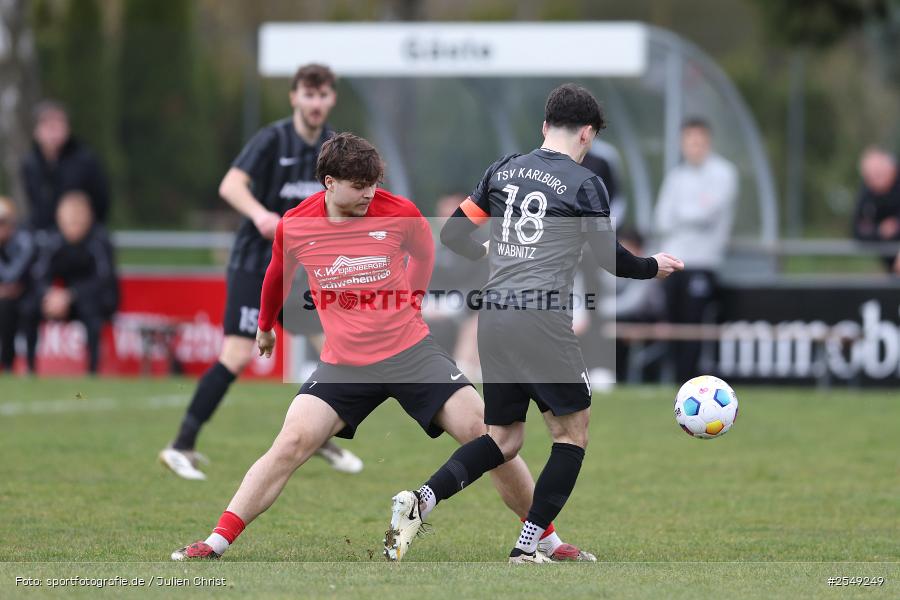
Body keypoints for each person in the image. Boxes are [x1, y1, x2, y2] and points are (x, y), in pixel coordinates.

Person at [169, 133, 593, 562]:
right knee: (291, 442)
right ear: (329, 182)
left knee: (488, 436)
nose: (369, 194)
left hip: (412, 354)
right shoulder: (295, 224)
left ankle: (546, 540)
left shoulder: (400, 213)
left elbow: (424, 251)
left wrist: (410, 300)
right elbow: (277, 274)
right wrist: (264, 328)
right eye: (358, 186)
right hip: (344, 364)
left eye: (373, 184)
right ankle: (216, 541)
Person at [388, 84, 683, 564]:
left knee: (503, 438)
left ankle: (422, 498)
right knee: (572, 433)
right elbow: (610, 260)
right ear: (587, 135)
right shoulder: (587, 183)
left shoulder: (503, 169)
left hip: (496, 318)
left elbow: (456, 233)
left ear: (545, 126)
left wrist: (491, 254)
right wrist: (656, 266)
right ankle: (526, 548)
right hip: (541, 318)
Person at [158, 64, 362, 479]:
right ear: (294, 97)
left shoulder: (332, 144)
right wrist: (261, 216)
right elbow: (230, 185)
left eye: (323, 95)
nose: (316, 103)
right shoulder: (273, 139)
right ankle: (180, 445)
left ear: (331, 99)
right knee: (236, 354)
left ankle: (317, 433)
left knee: (338, 346)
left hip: (300, 268)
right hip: (257, 263)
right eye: (308, 94)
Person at [653, 117, 737, 382]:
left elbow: (706, 214)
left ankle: (690, 384)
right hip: (673, 262)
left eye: (698, 141)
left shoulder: (724, 173)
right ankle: (674, 382)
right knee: (674, 325)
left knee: (693, 328)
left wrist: (684, 214)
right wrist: (689, 214)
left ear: (708, 142)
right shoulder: (676, 177)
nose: (694, 147)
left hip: (702, 263)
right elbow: (662, 219)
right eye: (689, 141)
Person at [25, 191, 118, 374]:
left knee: (91, 313)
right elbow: (38, 275)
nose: (73, 223)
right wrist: (50, 294)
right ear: (59, 217)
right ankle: (27, 368)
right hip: (58, 300)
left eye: (78, 218)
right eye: (69, 218)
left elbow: (103, 280)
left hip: (92, 300)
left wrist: (71, 295)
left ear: (88, 217)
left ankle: (93, 370)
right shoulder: (52, 240)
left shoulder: (99, 241)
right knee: (28, 309)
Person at [21, 101, 110, 232]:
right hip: (43, 231)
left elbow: (101, 200)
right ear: (36, 131)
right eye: (49, 126)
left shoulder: (85, 161)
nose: (54, 132)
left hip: (80, 233)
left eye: (59, 125)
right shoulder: (30, 163)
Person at [0, 197, 36, 373]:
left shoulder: (24, 241)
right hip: (5, 296)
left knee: (24, 310)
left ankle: (26, 365)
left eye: (2, 222)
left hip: (26, 295)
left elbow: (12, 275)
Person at [851, 147, 900, 272]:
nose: (873, 182)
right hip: (891, 267)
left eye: (878, 175)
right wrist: (879, 231)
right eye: (869, 177)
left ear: (892, 169)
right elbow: (857, 230)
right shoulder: (868, 192)